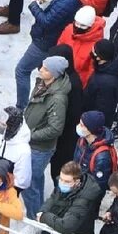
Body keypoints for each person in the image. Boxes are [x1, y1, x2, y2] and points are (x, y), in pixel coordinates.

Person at [22, 57, 71, 217]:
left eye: (46, 69)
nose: (40, 69)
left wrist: (31, 135)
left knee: (29, 184)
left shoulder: (57, 99)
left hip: (39, 148)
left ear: (54, 74)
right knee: (36, 181)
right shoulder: (42, 84)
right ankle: (39, 211)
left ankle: (34, 219)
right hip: (32, 142)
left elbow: (55, 128)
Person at [37, 161, 104, 234]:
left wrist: (44, 217)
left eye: (66, 181)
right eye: (61, 179)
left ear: (77, 182)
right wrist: (43, 211)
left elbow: (67, 225)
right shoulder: (65, 184)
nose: (62, 183)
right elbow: (52, 199)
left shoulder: (85, 198)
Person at [73, 110, 118, 191]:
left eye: (82, 125)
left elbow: (99, 186)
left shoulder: (102, 157)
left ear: (91, 130)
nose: (78, 126)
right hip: (79, 183)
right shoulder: (82, 140)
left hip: (88, 192)